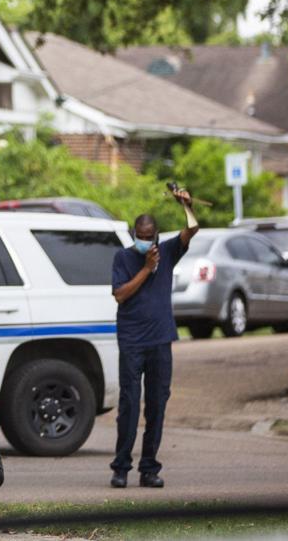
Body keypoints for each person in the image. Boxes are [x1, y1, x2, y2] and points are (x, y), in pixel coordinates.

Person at [109, 187, 197, 489]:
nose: (144, 240)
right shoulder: (123, 257)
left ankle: (149, 468)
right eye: (139, 235)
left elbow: (192, 228)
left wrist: (185, 204)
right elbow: (120, 295)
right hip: (132, 342)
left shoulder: (169, 252)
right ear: (135, 234)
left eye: (149, 235)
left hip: (161, 340)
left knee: (157, 405)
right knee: (129, 406)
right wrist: (147, 269)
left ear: (157, 234)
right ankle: (121, 467)